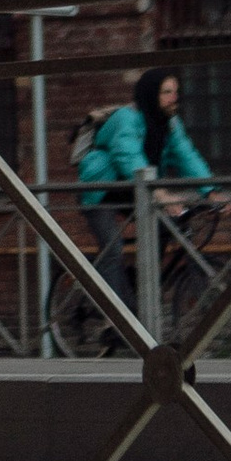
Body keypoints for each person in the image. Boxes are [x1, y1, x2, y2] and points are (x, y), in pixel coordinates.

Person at [75, 65, 213, 317]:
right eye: (167, 92)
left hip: (134, 188)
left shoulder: (170, 124)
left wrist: (211, 190)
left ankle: (138, 285)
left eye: (176, 92)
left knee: (168, 223)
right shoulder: (126, 119)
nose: (174, 98)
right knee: (112, 247)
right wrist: (158, 193)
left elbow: (186, 155)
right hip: (101, 189)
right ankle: (121, 315)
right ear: (151, 95)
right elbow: (128, 155)